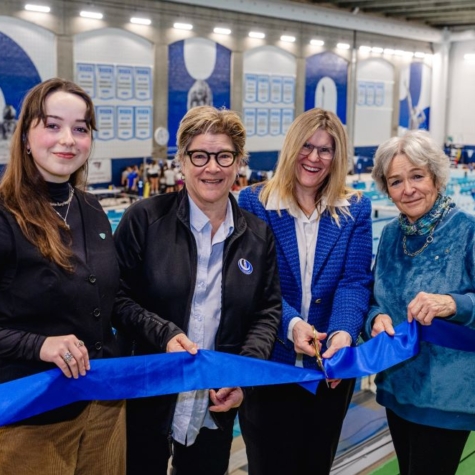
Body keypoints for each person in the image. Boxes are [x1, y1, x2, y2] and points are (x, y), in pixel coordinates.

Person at [113, 105, 281, 475]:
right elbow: (116, 299)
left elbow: (267, 312)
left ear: (239, 162)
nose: (212, 167)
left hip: (214, 405)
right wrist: (165, 334)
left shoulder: (257, 235)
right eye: (200, 155)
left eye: (224, 156)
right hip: (148, 396)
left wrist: (243, 374)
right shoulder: (144, 220)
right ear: (182, 161)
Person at [238, 107, 373, 475]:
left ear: (337, 156)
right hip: (271, 367)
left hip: (330, 370)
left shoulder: (354, 207)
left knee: (316, 463)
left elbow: (354, 280)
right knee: (269, 465)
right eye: (306, 146)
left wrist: (343, 333)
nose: (314, 158)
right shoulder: (255, 202)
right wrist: (292, 324)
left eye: (326, 150)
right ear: (291, 147)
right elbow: (255, 285)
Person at [0, 78, 125, 473]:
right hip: (33, 415)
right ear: (25, 136)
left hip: (104, 406)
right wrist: (40, 345)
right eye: (52, 125)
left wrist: (166, 332)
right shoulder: (5, 216)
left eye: (80, 128)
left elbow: (112, 299)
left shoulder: (91, 208)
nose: (67, 139)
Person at [366, 130, 475, 475]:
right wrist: (375, 318)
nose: (408, 189)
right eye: (396, 181)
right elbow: (374, 297)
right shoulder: (390, 234)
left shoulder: (467, 231)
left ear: (436, 177)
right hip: (398, 389)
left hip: (447, 396)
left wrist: (453, 303)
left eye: (417, 176)